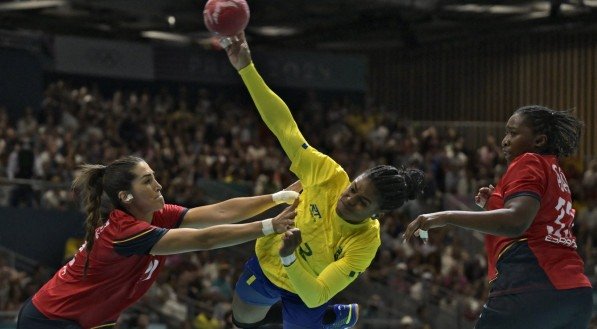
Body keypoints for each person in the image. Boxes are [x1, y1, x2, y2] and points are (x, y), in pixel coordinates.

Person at [222, 33, 426, 329]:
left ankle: (329, 317)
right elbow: (284, 127)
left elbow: (317, 293)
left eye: (362, 202)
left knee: (310, 312)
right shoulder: (329, 175)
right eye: (354, 188)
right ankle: (327, 317)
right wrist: (246, 68)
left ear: (376, 214)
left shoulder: (365, 241)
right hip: (268, 264)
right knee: (241, 321)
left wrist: (291, 258)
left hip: (306, 292)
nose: (349, 198)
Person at [17, 155, 299, 329]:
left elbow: (220, 211)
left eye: (155, 178)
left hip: (89, 319)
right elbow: (205, 239)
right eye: (147, 181)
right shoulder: (124, 232)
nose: (158, 185)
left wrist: (278, 197)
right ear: (126, 197)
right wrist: (270, 226)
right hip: (50, 319)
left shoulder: (158, 215)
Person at [404, 105, 592, 329]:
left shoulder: (528, 161)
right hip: (576, 295)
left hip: (532, 284)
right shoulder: (555, 171)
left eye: (513, 133)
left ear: (539, 140)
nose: (505, 140)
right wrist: (495, 204)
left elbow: (515, 222)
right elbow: (537, 221)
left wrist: (445, 216)